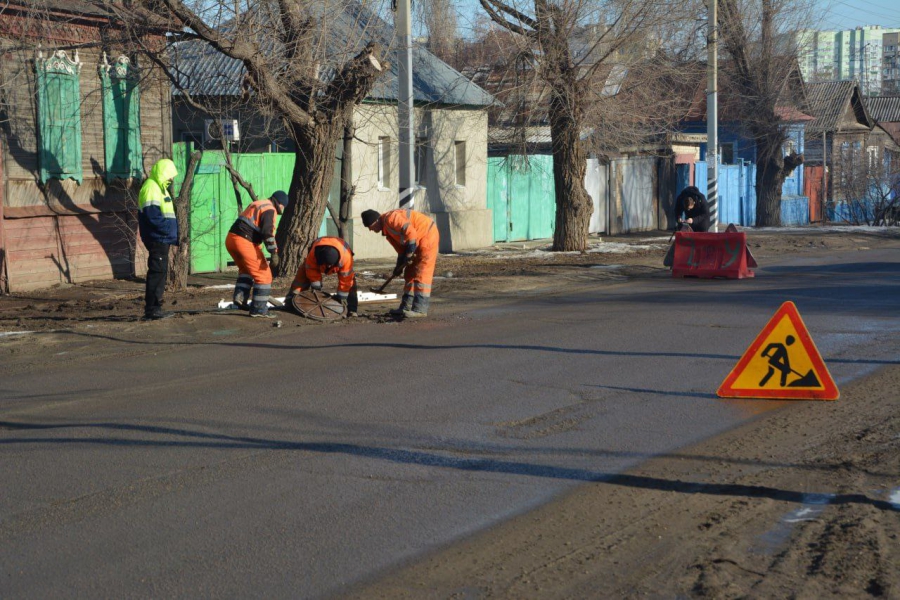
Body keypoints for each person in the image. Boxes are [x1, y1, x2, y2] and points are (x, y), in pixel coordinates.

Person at [361, 207, 439, 318]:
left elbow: (411, 233)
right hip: (417, 240)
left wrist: (409, 253)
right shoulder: (387, 231)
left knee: (422, 273)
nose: (370, 229)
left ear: (376, 220)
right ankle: (405, 307)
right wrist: (399, 266)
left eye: (370, 226)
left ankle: (420, 309)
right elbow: (401, 250)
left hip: (427, 235)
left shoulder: (391, 218)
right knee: (409, 273)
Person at [225, 191, 289, 318]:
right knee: (264, 275)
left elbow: (253, 227)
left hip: (231, 239)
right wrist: (274, 252)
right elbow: (267, 233)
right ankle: (259, 309)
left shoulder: (259, 203)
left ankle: (240, 300)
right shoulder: (270, 209)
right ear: (280, 204)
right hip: (244, 241)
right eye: (283, 207)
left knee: (246, 270)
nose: (283, 210)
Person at [138, 158, 179, 320]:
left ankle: (155, 307)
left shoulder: (160, 188)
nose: (172, 179)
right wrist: (167, 230)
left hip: (162, 237)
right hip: (158, 237)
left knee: (160, 272)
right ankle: (152, 309)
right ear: (164, 173)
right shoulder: (151, 187)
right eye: (170, 176)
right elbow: (152, 215)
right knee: (157, 272)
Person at [287, 236, 359, 317]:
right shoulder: (314, 254)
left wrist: (342, 297)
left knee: (351, 283)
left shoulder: (346, 258)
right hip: (319, 258)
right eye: (327, 265)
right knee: (302, 276)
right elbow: (311, 269)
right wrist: (316, 287)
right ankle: (290, 302)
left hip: (342, 257)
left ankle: (352, 309)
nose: (328, 267)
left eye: (330, 265)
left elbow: (346, 280)